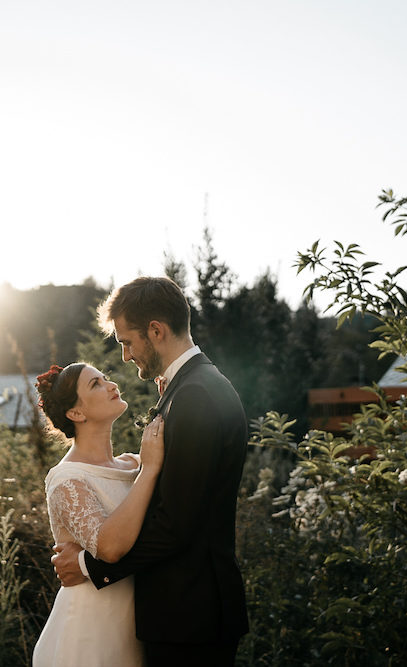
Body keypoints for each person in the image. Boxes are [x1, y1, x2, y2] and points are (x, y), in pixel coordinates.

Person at [51, 276, 249, 666]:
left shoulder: (193, 397)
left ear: (156, 330)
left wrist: (89, 567)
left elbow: (175, 523)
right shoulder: (192, 388)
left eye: (127, 341)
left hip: (189, 617)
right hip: (187, 614)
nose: (125, 356)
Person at [32, 362, 165, 667]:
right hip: (89, 633)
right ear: (76, 414)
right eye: (96, 384)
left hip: (135, 627)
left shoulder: (134, 464)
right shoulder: (67, 478)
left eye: (106, 378)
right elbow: (109, 547)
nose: (111, 385)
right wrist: (152, 469)